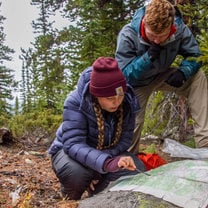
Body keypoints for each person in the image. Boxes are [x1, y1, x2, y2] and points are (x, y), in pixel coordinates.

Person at [115, 0, 208, 154]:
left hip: (163, 74)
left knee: (197, 78)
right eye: (153, 36)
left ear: (171, 28)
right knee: (133, 122)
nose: (157, 41)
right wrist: (146, 58)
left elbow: (195, 55)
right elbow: (124, 75)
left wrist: (183, 72)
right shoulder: (128, 34)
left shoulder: (179, 29)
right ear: (144, 22)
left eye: (162, 36)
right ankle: (126, 160)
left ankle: (205, 146)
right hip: (138, 83)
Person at [48, 57, 146, 200]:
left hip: (106, 153)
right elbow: (73, 144)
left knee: (137, 171)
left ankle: (98, 195)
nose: (116, 102)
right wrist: (104, 163)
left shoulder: (127, 102)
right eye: (110, 98)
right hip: (69, 152)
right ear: (96, 94)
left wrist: (106, 164)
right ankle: (69, 195)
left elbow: (124, 141)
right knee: (77, 174)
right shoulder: (76, 102)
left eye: (120, 95)